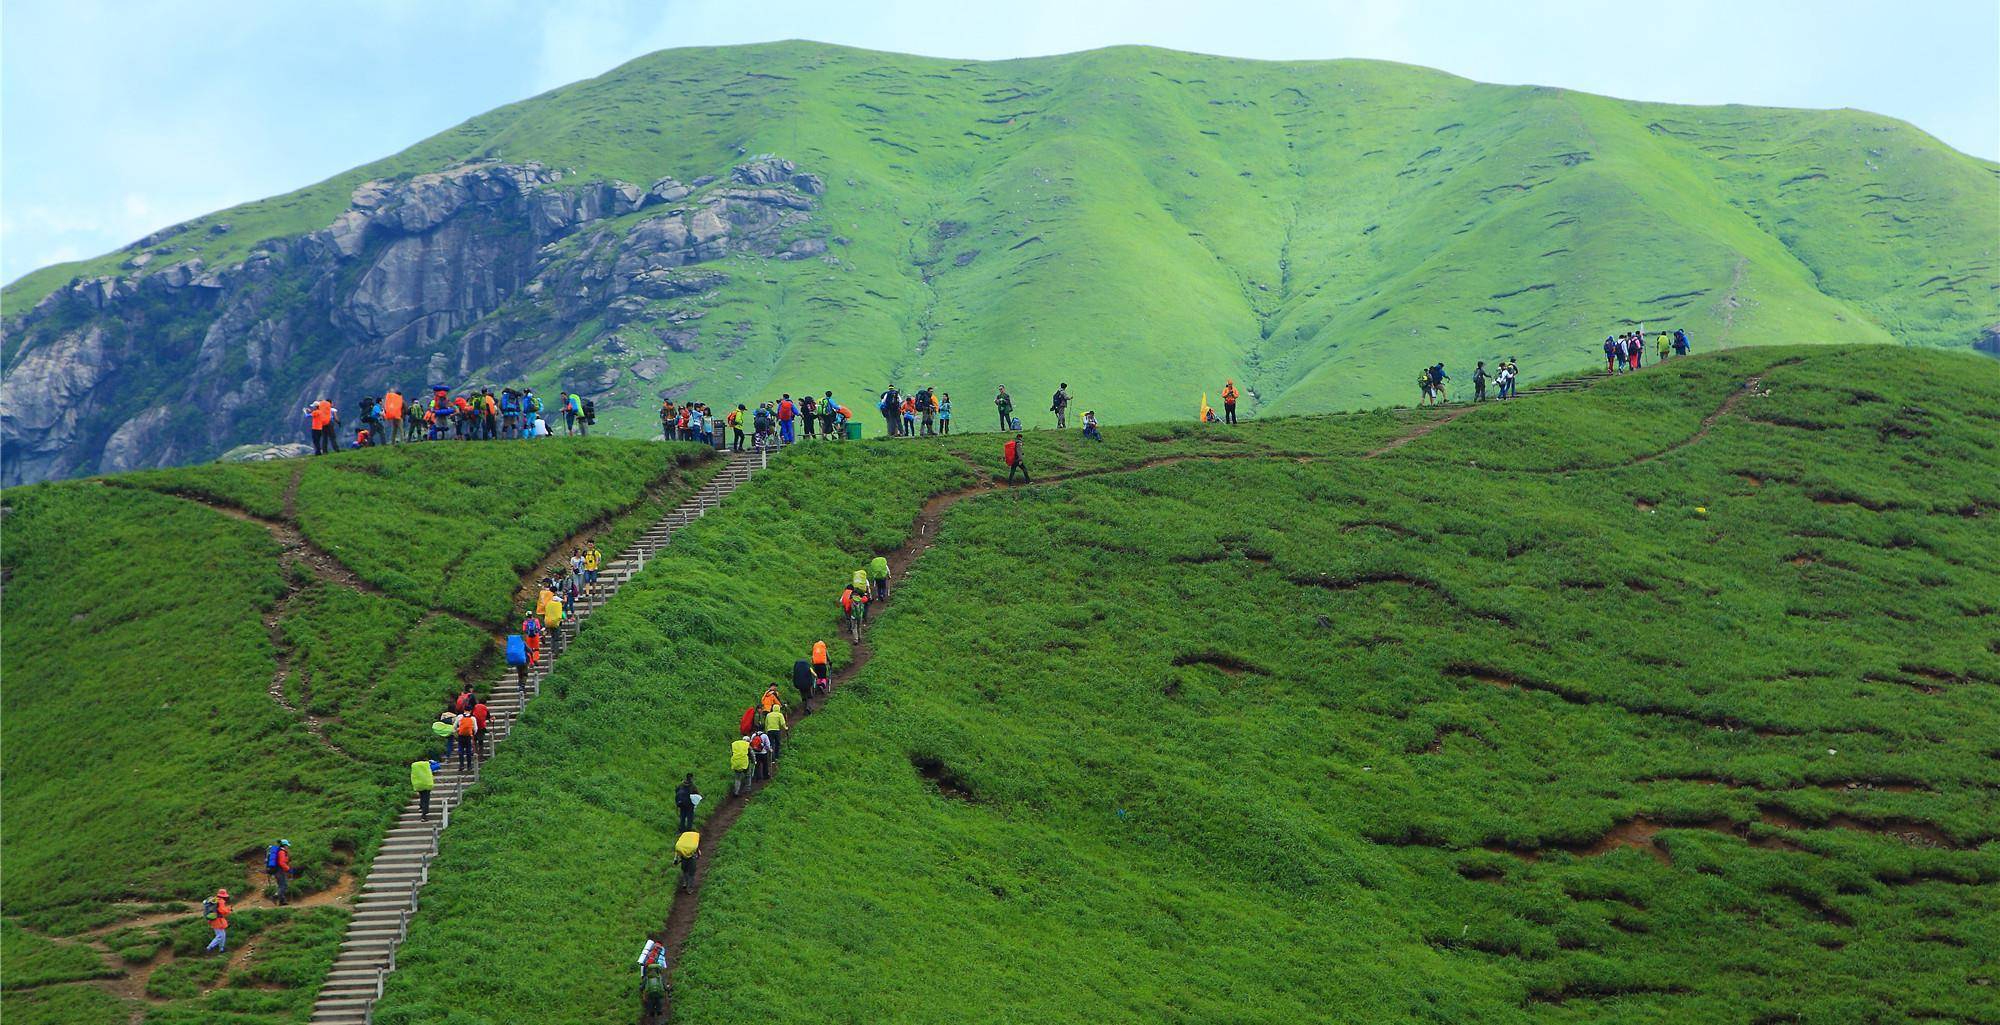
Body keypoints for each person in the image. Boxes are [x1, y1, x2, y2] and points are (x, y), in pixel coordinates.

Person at [203, 888, 232, 953]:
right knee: (220, 935)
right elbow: (222, 911)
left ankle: (222, 949)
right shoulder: (220, 901)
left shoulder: (214, 900)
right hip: (218, 920)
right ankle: (209, 947)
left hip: (213, 919)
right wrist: (229, 910)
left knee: (223, 934)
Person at [266, 840, 293, 906]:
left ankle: (282, 902)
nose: (288, 847)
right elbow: (282, 862)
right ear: (284, 845)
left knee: (281, 885)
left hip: (276, 870)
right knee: (284, 885)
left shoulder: (280, 851)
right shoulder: (281, 852)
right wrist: (289, 869)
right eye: (287, 846)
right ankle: (274, 897)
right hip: (279, 870)